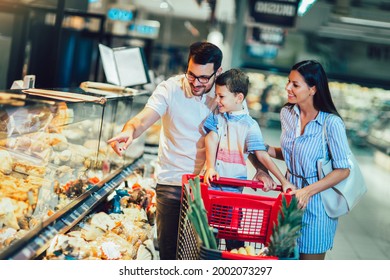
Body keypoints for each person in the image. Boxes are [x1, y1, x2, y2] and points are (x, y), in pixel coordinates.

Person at [107, 41, 274, 260]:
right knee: (170, 254)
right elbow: (143, 118)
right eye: (191, 75)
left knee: (208, 254)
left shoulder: (225, 95)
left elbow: (243, 135)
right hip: (173, 183)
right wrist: (129, 131)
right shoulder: (170, 89)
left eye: (204, 78)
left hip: (214, 187)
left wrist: (261, 169)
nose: (196, 83)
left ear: (218, 72)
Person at [266, 60, 351, 260]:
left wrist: (307, 191)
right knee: (282, 257)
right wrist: (265, 150)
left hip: (317, 203)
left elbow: (343, 169)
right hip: (289, 199)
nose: (288, 87)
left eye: (295, 85)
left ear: (312, 89)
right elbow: (292, 152)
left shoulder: (331, 123)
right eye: (289, 82)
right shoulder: (287, 114)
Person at [203, 68, 295, 195]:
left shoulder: (250, 126)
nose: (217, 100)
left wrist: (283, 181)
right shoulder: (217, 115)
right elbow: (211, 138)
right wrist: (210, 168)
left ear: (239, 97)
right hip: (210, 181)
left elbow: (261, 154)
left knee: (229, 213)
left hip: (233, 185)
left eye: (221, 96)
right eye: (216, 95)